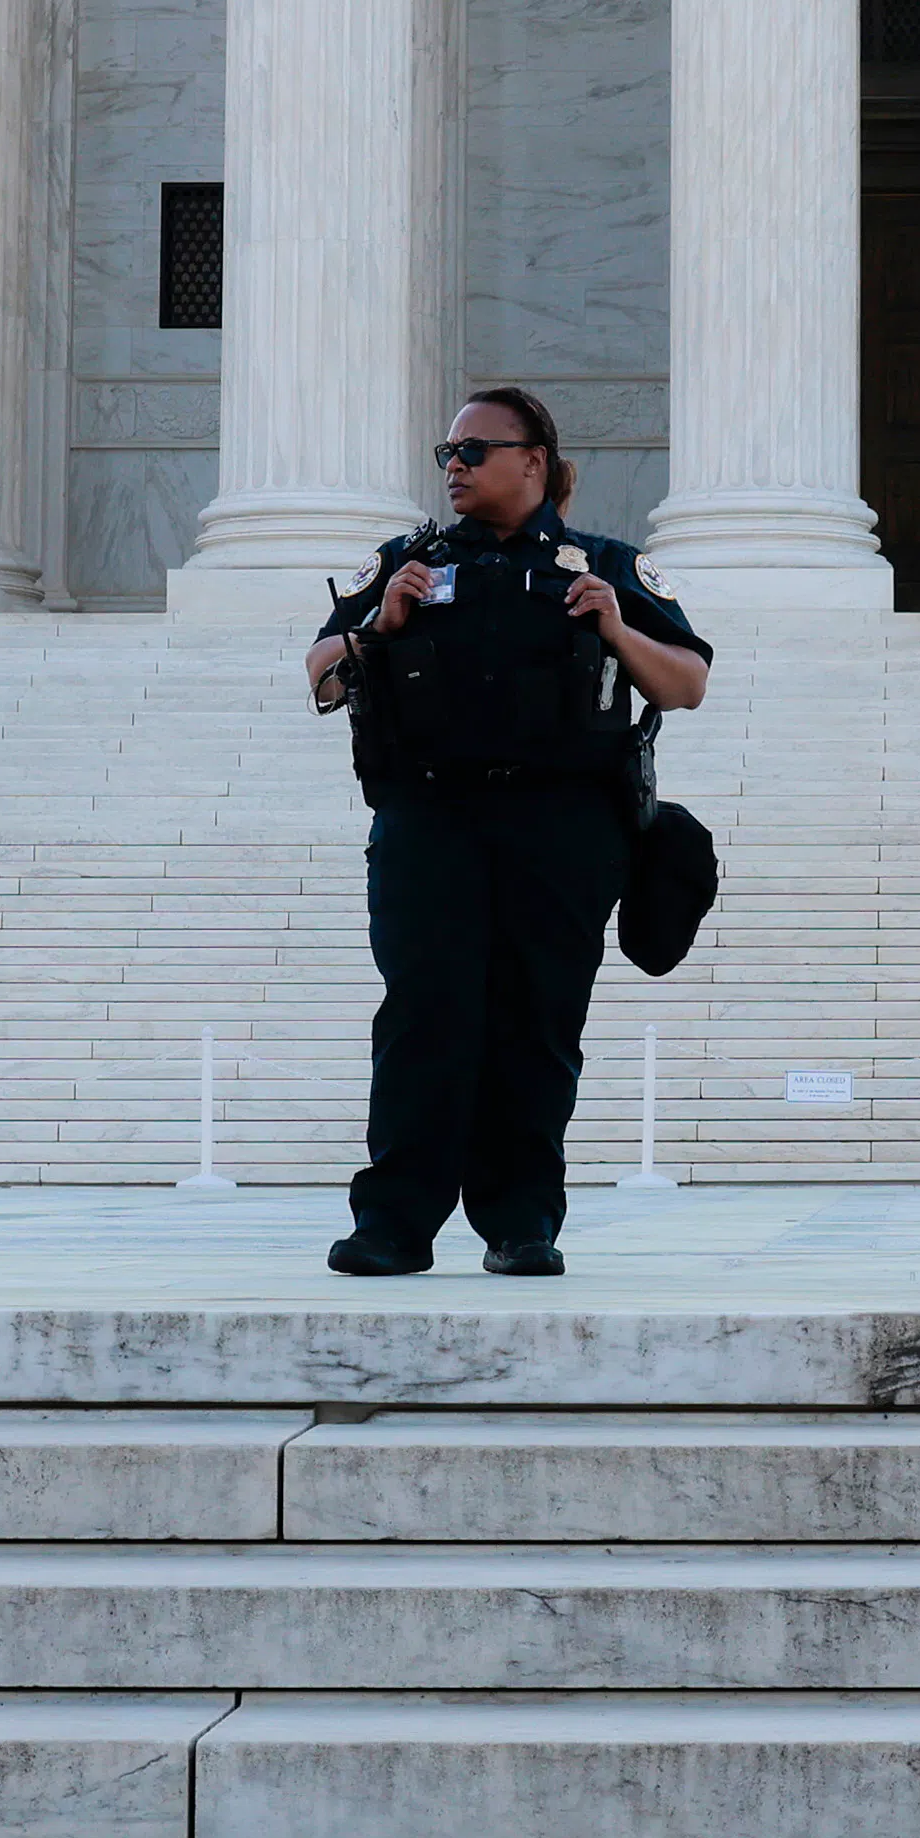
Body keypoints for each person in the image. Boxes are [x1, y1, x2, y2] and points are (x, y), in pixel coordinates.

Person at [298, 387, 709, 1278]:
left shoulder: (601, 564)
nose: (454, 466)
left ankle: (521, 1222)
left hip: (559, 824)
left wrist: (612, 625)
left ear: (534, 460)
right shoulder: (404, 561)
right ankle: (395, 1224)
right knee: (422, 1015)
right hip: (429, 820)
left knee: (537, 1020)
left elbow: (684, 682)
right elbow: (322, 670)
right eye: (447, 453)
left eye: (473, 451)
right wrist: (382, 623)